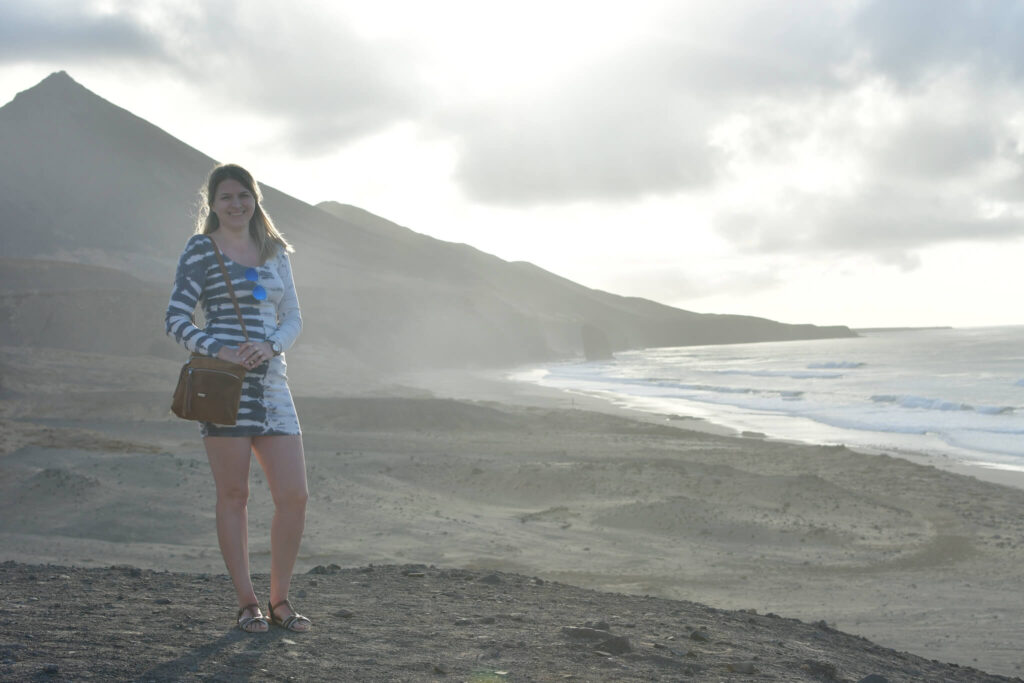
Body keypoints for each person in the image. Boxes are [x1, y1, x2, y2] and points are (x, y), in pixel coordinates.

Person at [165, 163, 311, 633]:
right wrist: (220, 347)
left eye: (243, 195)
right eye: (225, 197)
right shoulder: (201, 250)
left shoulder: (276, 252)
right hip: (221, 387)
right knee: (234, 494)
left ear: (255, 199)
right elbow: (176, 318)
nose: (235, 204)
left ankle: (280, 601)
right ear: (212, 204)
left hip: (272, 387)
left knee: (294, 495)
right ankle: (248, 603)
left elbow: (292, 315)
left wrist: (271, 346)